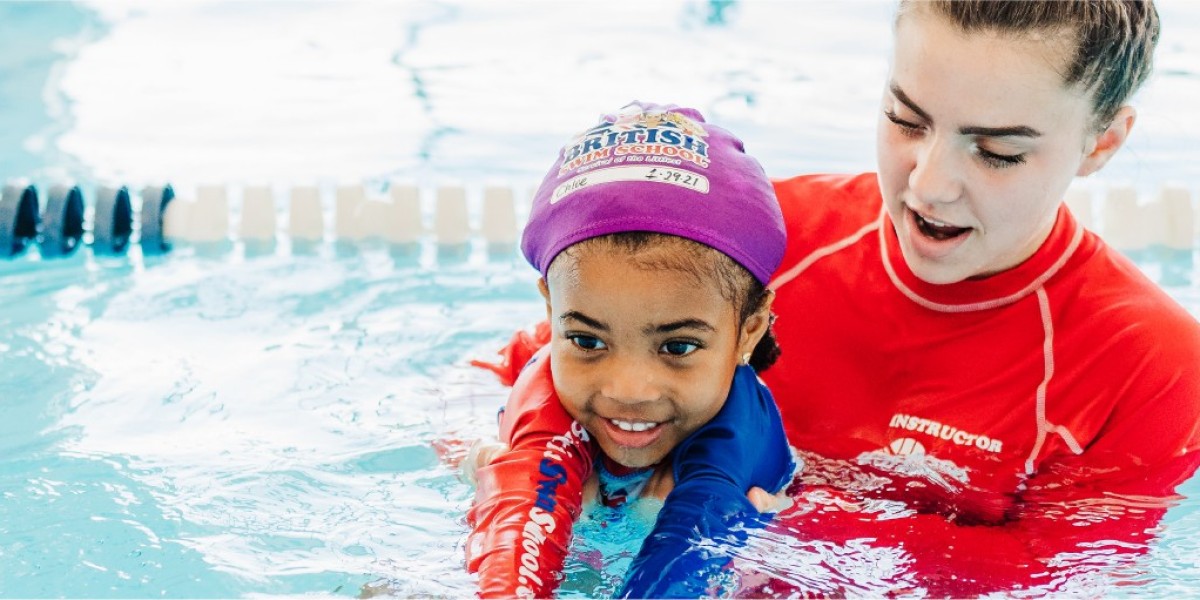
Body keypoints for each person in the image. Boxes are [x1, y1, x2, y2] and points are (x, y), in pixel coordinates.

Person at [472, 1, 1200, 596]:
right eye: (905, 119)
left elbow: (1068, 573)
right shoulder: (761, 244)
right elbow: (508, 372)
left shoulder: (1149, 365)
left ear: (1103, 142)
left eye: (998, 151)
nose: (929, 183)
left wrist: (783, 519)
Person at [464, 101, 795, 598]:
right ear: (551, 309)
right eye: (587, 340)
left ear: (749, 328)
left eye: (677, 346)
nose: (629, 390)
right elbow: (461, 384)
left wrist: (756, 561)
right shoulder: (521, 365)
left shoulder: (759, 482)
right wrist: (470, 459)